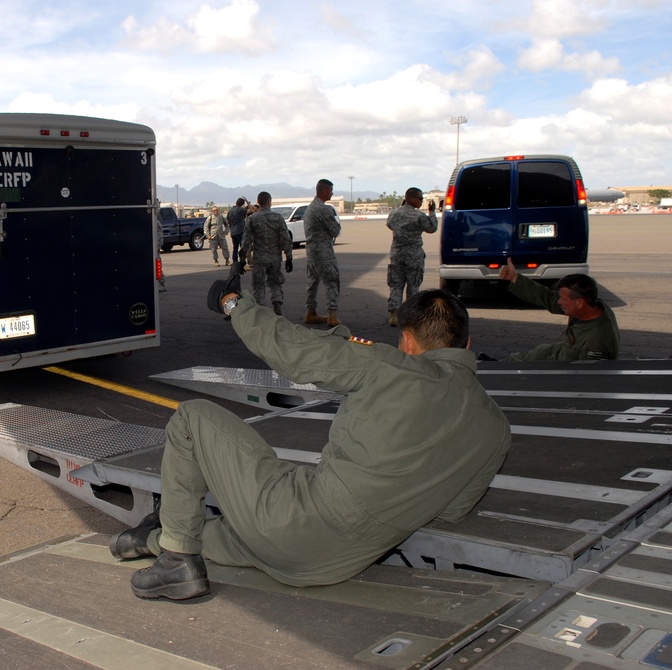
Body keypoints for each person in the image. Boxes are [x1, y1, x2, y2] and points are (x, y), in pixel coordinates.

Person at [110, 285, 511, 600]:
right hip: (333, 564)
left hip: (299, 523)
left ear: (407, 341)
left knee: (192, 418)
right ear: (468, 345)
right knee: (248, 533)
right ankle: (152, 536)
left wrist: (235, 304)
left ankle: (177, 559)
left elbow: (292, 351)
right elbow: (452, 511)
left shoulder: (388, 366)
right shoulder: (496, 428)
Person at [485, 258, 620, 361]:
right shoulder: (590, 306)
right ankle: (498, 365)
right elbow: (547, 297)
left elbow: (583, 377)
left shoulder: (595, 341)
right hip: (566, 349)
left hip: (570, 366)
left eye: (563, 299)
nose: (559, 302)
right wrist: (515, 278)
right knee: (538, 352)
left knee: (537, 364)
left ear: (579, 302)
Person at [386, 187, 439, 327]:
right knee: (413, 286)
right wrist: (432, 212)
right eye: (420, 198)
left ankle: (394, 314)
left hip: (397, 254)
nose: (422, 201)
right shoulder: (419, 216)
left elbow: (390, 224)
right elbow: (432, 228)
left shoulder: (394, 213)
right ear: (411, 199)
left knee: (396, 285)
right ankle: (410, 317)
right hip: (414, 255)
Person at [241, 191, 292, 314]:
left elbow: (246, 241)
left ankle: (262, 311)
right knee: (275, 283)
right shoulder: (278, 217)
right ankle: (277, 305)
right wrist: (289, 257)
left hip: (260, 258)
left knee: (259, 285)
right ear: (269, 202)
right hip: (275, 258)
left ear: (258, 202)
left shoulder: (253, 218)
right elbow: (286, 238)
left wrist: (242, 259)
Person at [303, 179, 343, 326]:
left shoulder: (310, 208)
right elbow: (335, 230)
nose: (332, 193)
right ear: (325, 191)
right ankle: (332, 315)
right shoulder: (324, 209)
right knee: (332, 281)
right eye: (331, 191)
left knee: (312, 282)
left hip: (312, 252)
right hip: (324, 252)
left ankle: (310, 312)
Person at [226, 197, 248, 264]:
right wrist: (247, 201)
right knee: (242, 247)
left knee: (235, 247)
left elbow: (227, 221)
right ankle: (242, 260)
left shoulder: (230, 210)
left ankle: (235, 260)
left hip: (233, 232)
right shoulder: (241, 210)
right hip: (240, 231)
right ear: (242, 204)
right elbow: (252, 210)